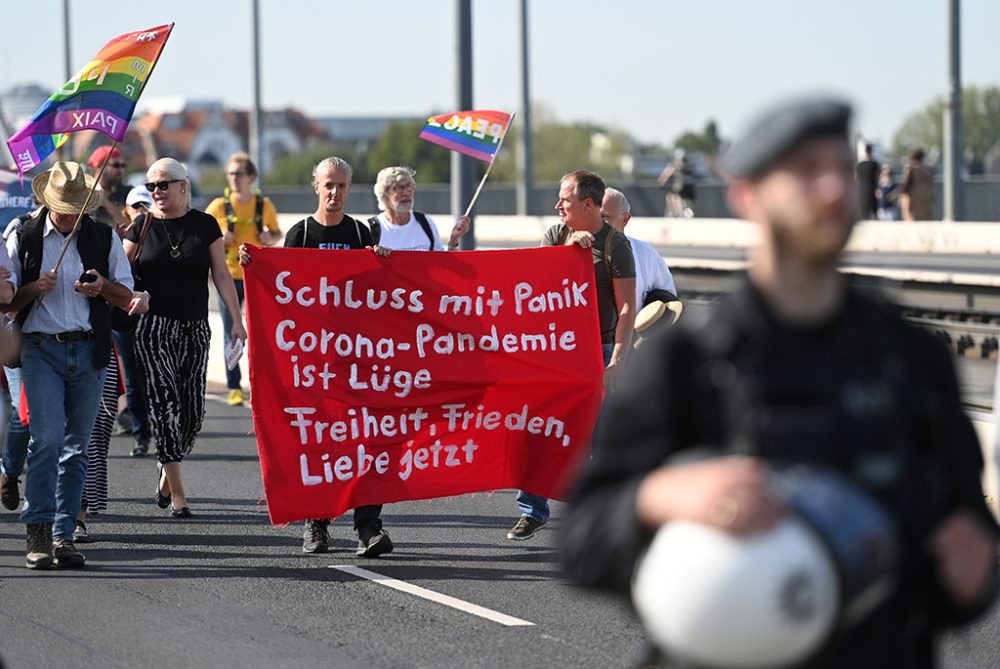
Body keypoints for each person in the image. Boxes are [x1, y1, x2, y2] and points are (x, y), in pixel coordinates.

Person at [561, 97, 999, 668]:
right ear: (746, 192)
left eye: (843, 169)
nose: (833, 189)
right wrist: (661, 496)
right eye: (806, 170)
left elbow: (964, 549)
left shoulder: (909, 360)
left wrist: (973, 576)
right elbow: (583, 543)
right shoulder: (686, 361)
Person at [240, 156, 395, 558]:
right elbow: (281, 293)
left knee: (366, 441)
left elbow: (379, 295)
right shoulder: (301, 233)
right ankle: (317, 523)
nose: (335, 192)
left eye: (342, 186)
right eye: (328, 185)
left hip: (357, 359)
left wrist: (381, 261)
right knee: (320, 444)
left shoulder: (361, 232)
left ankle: (368, 527)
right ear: (316, 186)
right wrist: (254, 265)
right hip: (314, 364)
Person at [6, 161, 146, 569]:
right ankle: (38, 531)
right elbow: (7, 301)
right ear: (48, 202)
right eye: (63, 207)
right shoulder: (25, 235)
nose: (69, 215)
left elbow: (127, 294)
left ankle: (64, 534)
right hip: (40, 348)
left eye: (76, 208)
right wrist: (34, 287)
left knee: (76, 448)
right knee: (46, 440)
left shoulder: (102, 236)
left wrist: (102, 288)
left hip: (89, 350)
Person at [508, 170, 636, 542]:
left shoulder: (615, 244)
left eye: (564, 199)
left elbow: (626, 307)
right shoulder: (555, 235)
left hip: (599, 352)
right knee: (538, 430)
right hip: (558, 354)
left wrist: (617, 361)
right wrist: (568, 253)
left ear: (589, 204)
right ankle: (532, 510)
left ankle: (604, 518)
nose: (557, 205)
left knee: (599, 440)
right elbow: (535, 283)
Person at [124, 158, 246, 519]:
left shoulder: (205, 224)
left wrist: (236, 321)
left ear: (183, 186)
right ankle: (179, 494)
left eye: (164, 184)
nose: (157, 192)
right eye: (151, 187)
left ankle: (167, 468)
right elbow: (120, 272)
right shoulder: (141, 225)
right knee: (164, 404)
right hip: (153, 327)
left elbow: (222, 275)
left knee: (192, 413)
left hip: (195, 327)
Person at [205, 152, 281, 406]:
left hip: (255, 276)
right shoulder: (217, 206)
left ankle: (260, 382)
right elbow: (202, 235)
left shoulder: (263, 205)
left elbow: (276, 232)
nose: (234, 179)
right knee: (231, 333)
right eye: (230, 174)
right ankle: (234, 386)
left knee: (261, 332)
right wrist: (218, 238)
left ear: (251, 177)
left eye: (239, 174)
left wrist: (269, 238)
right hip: (228, 275)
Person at [114, 186, 155, 457]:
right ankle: (141, 435)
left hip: (154, 315)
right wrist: (120, 243)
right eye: (135, 206)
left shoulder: (160, 235)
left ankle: (163, 431)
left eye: (145, 205)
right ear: (126, 211)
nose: (140, 210)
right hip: (125, 317)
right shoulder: (116, 241)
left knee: (155, 376)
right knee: (134, 379)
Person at [600, 187, 677, 309]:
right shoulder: (577, 250)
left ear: (625, 219)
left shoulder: (646, 253)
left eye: (605, 217)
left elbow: (668, 300)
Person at [368, 166, 469, 251]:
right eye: (398, 187)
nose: (406, 192)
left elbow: (443, 265)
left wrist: (454, 240)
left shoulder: (425, 222)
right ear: (384, 194)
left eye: (409, 186)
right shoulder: (373, 229)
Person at [87, 145, 130, 230]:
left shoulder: (128, 193)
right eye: (116, 165)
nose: (121, 170)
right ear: (99, 167)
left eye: (123, 165)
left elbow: (130, 225)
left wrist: (105, 201)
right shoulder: (85, 194)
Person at [656, 149, 696, 218]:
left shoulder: (674, 165)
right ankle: (682, 211)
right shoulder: (688, 166)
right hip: (689, 188)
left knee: (670, 196)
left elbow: (666, 174)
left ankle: (675, 213)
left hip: (679, 187)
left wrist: (661, 182)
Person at [900, 147, 935, 221]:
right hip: (925, 195)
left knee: (911, 217)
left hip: (912, 195)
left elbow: (906, 182)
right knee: (924, 217)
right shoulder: (927, 168)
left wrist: (902, 193)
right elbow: (931, 180)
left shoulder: (910, 168)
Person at [856, 143, 879, 219]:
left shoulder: (860, 165)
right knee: (874, 214)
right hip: (872, 190)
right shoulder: (874, 164)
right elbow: (878, 177)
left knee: (864, 215)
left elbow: (856, 177)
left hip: (861, 191)